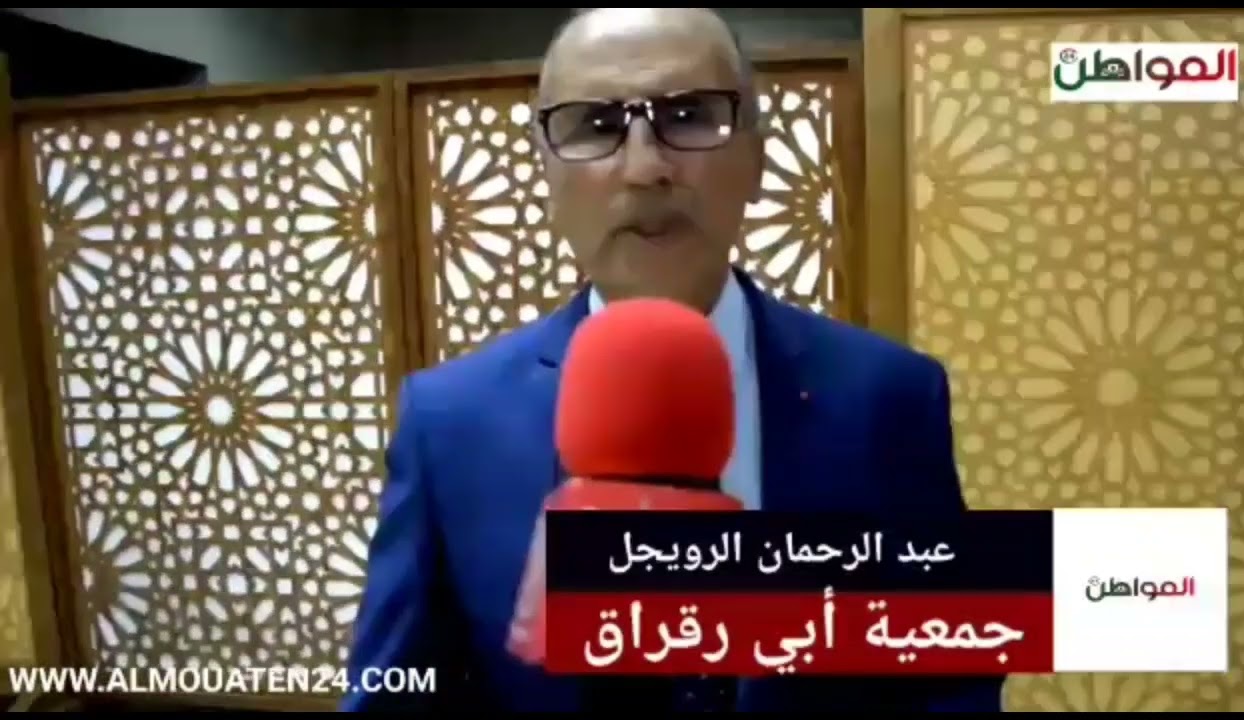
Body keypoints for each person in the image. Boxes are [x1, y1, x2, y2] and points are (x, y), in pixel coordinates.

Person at [340, 7, 1004, 712]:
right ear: (547, 173)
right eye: (596, 125)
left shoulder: (891, 398)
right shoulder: (450, 423)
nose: (645, 167)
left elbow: (948, 677)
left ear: (757, 156)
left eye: (688, 116)